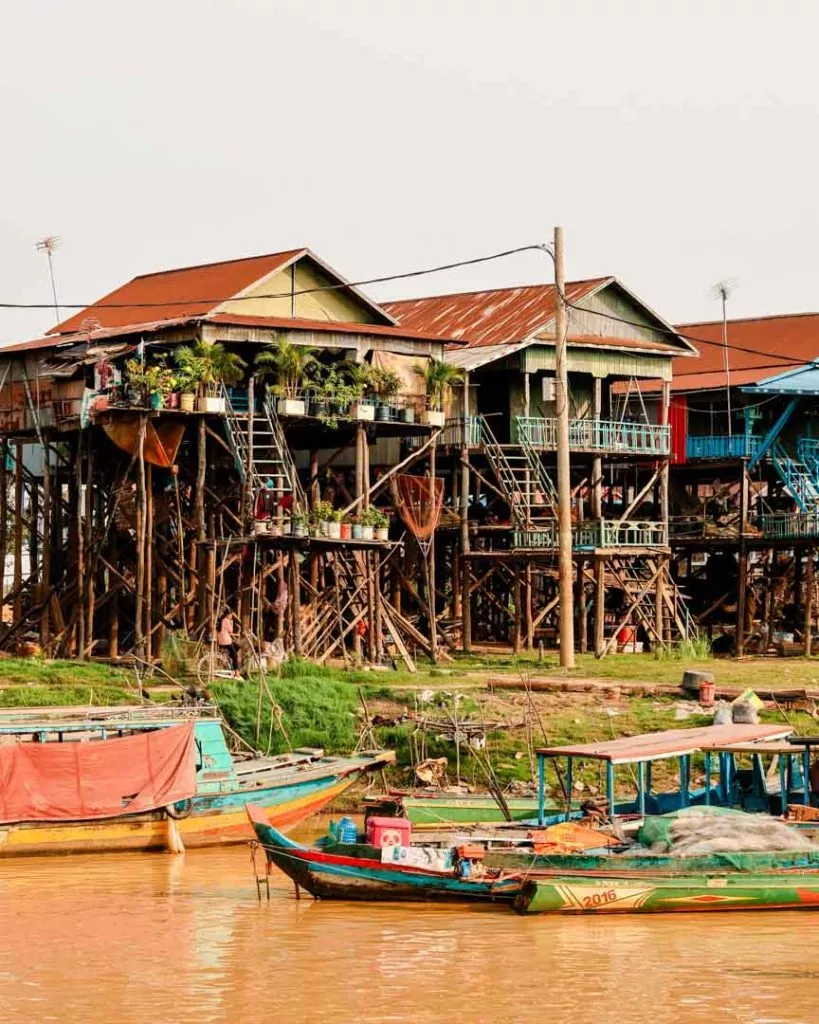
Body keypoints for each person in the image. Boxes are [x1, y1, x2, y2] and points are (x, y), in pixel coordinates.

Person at [217, 609, 239, 675]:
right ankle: (236, 671)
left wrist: (235, 634)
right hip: (226, 641)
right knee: (235, 655)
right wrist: (231, 622)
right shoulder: (227, 620)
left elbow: (224, 631)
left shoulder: (222, 620)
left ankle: (230, 657)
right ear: (228, 615)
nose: (231, 616)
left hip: (221, 640)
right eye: (231, 614)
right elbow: (230, 630)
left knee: (236, 646)